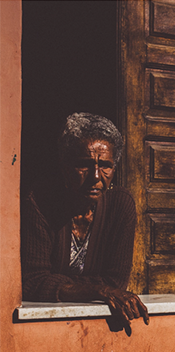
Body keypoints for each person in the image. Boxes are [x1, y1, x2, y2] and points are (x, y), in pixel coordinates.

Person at [21, 112, 149, 327]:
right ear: (65, 168)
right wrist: (101, 290)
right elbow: (33, 281)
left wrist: (61, 284)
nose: (96, 177)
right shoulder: (40, 202)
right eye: (84, 165)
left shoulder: (121, 205)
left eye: (105, 166)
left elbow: (116, 280)